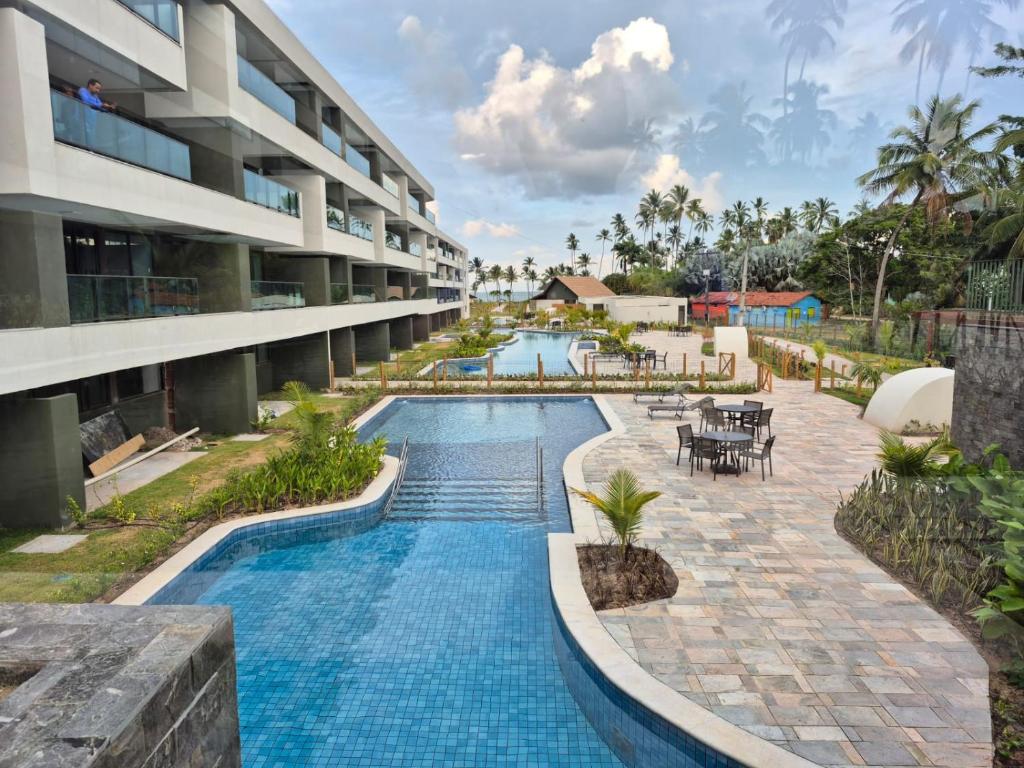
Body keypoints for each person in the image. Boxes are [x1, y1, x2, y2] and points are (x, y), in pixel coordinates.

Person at [76, 79, 115, 148]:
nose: (98, 91)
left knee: (91, 141)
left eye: (99, 89)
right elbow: (86, 101)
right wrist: (101, 105)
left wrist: (109, 107)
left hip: (91, 123)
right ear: (90, 85)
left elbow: (100, 107)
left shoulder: (96, 97)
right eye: (97, 88)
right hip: (82, 120)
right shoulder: (82, 90)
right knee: (82, 139)